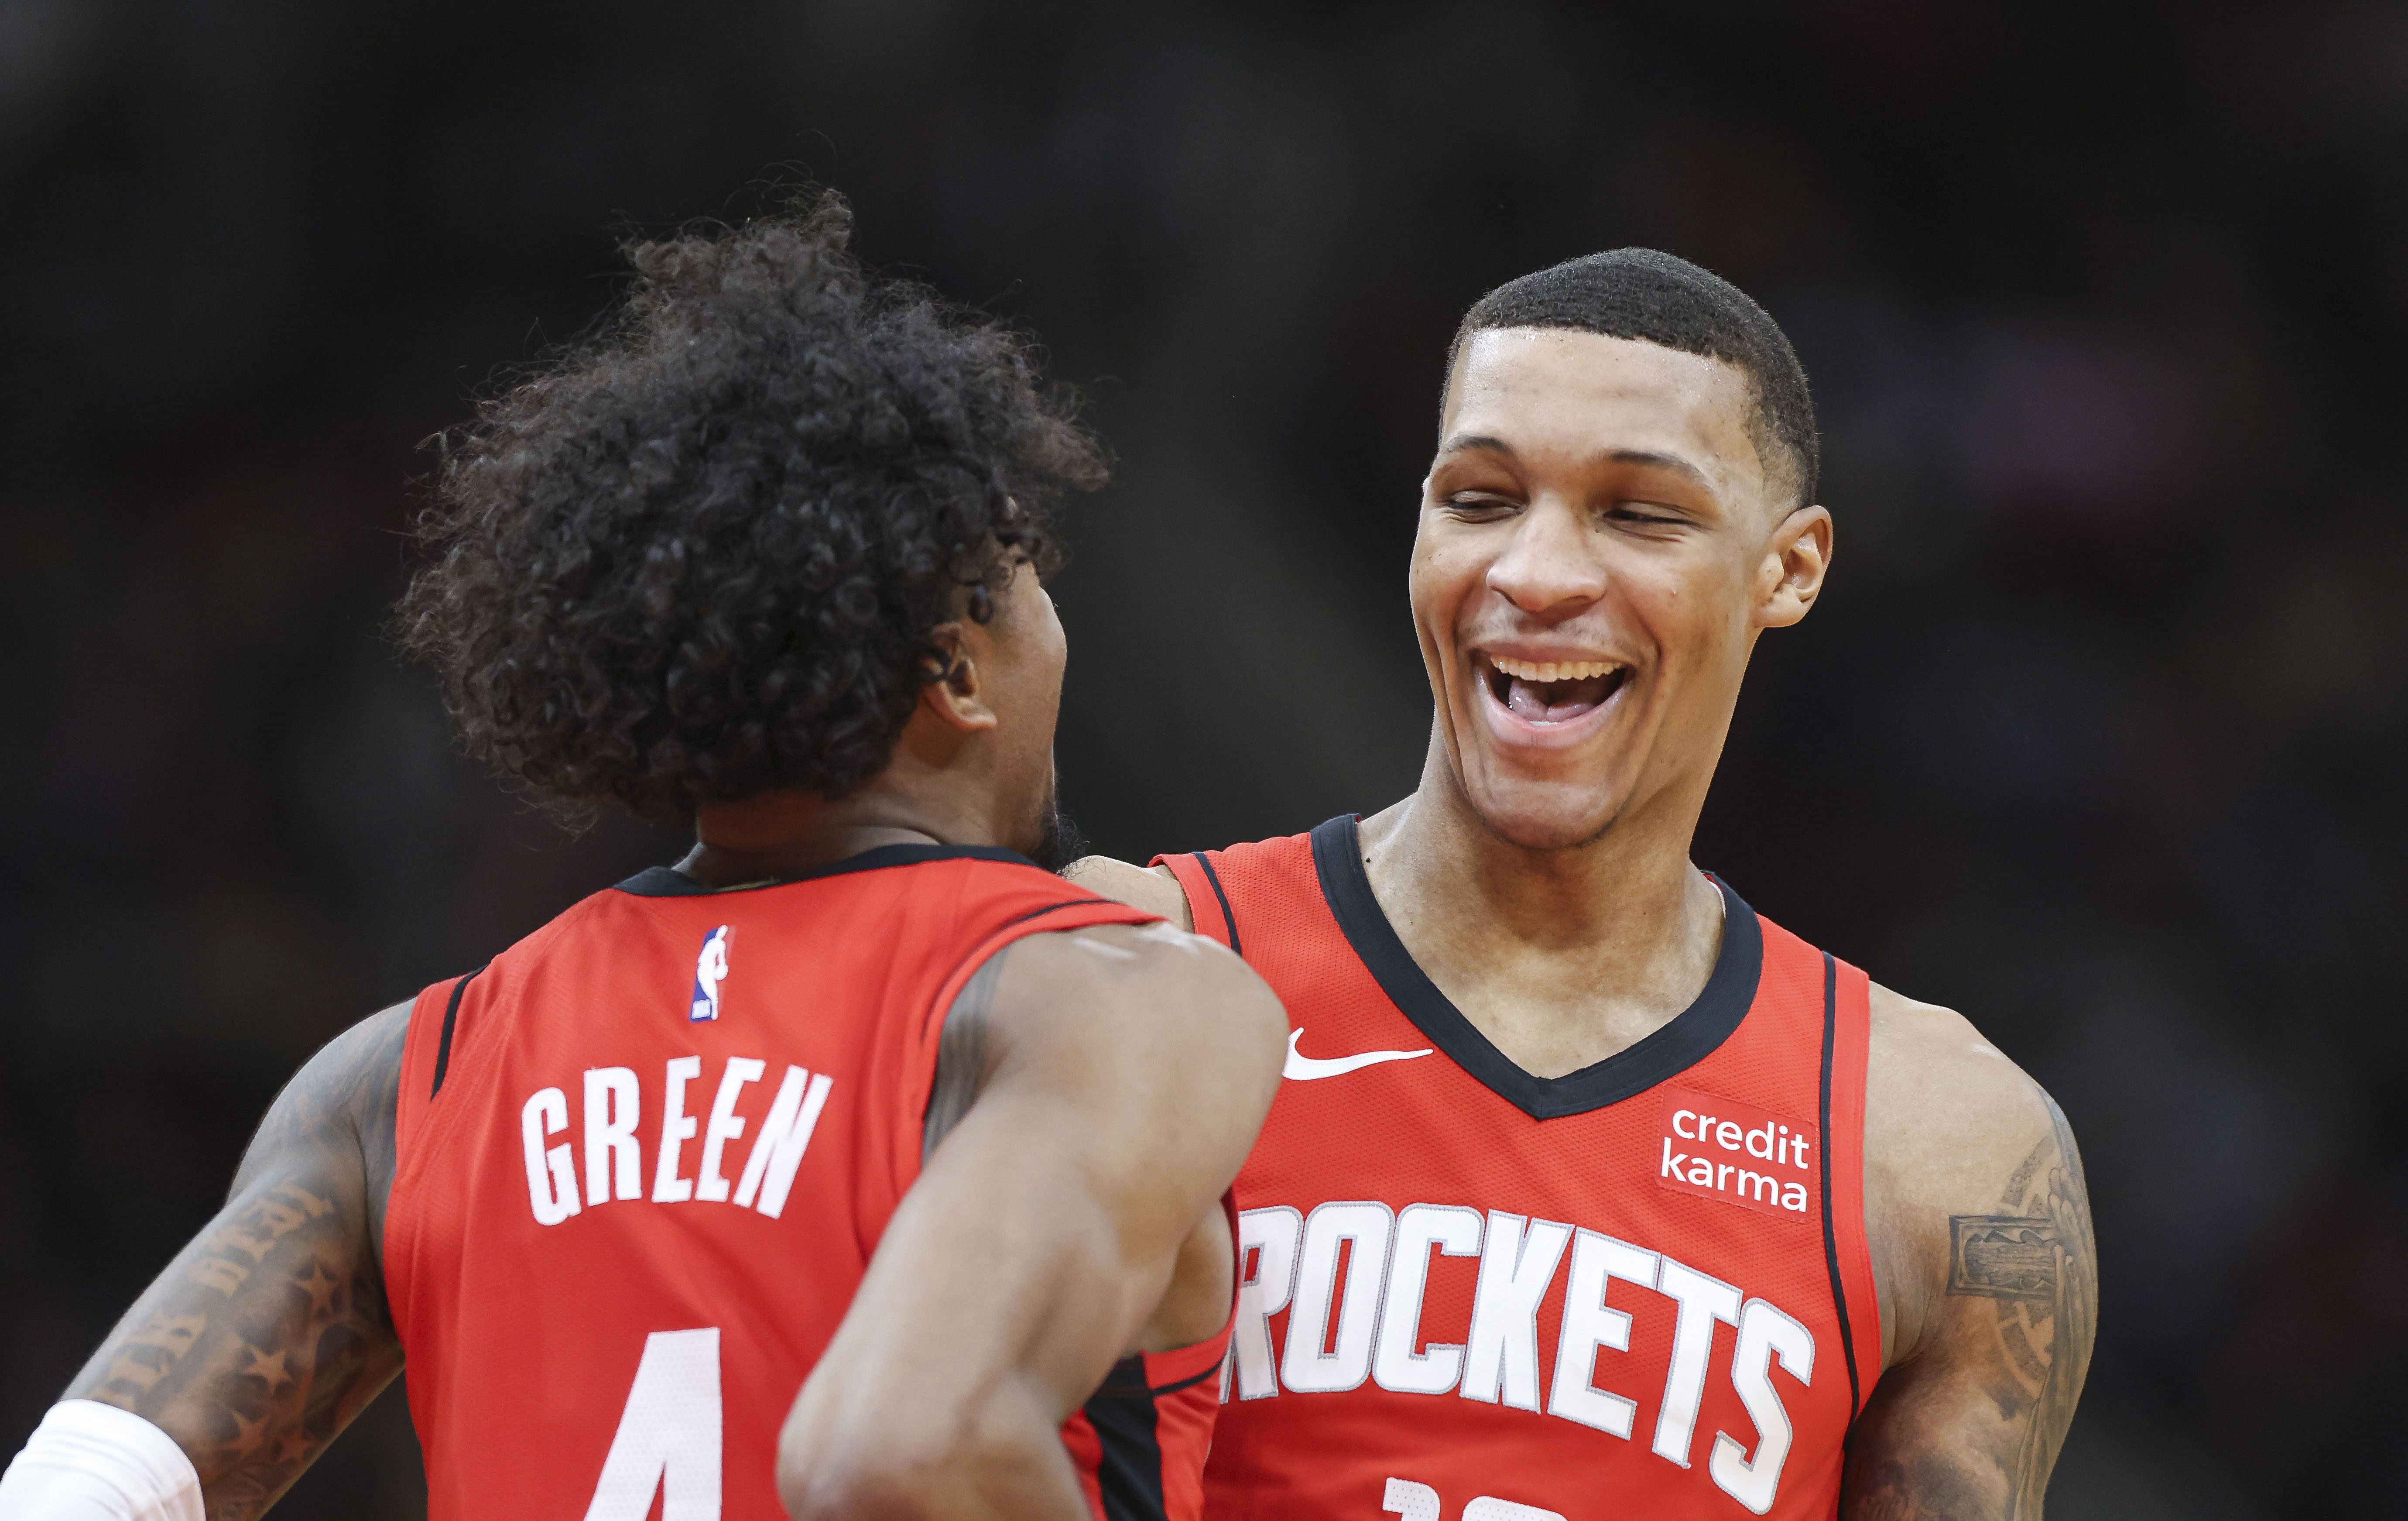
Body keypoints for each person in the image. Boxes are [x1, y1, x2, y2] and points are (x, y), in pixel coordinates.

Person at [0, 196, 1286, 1521]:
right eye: (1033, 584)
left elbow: (75, 1499)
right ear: (954, 672)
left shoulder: (396, 1083)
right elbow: (904, 1453)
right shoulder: (1104, 1000)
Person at [1067, 250, 2096, 1519]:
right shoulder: (1123, 960)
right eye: (1481, 499)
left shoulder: (1942, 1149)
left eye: (1638, 513)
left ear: (1791, 569)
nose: (1537, 575)